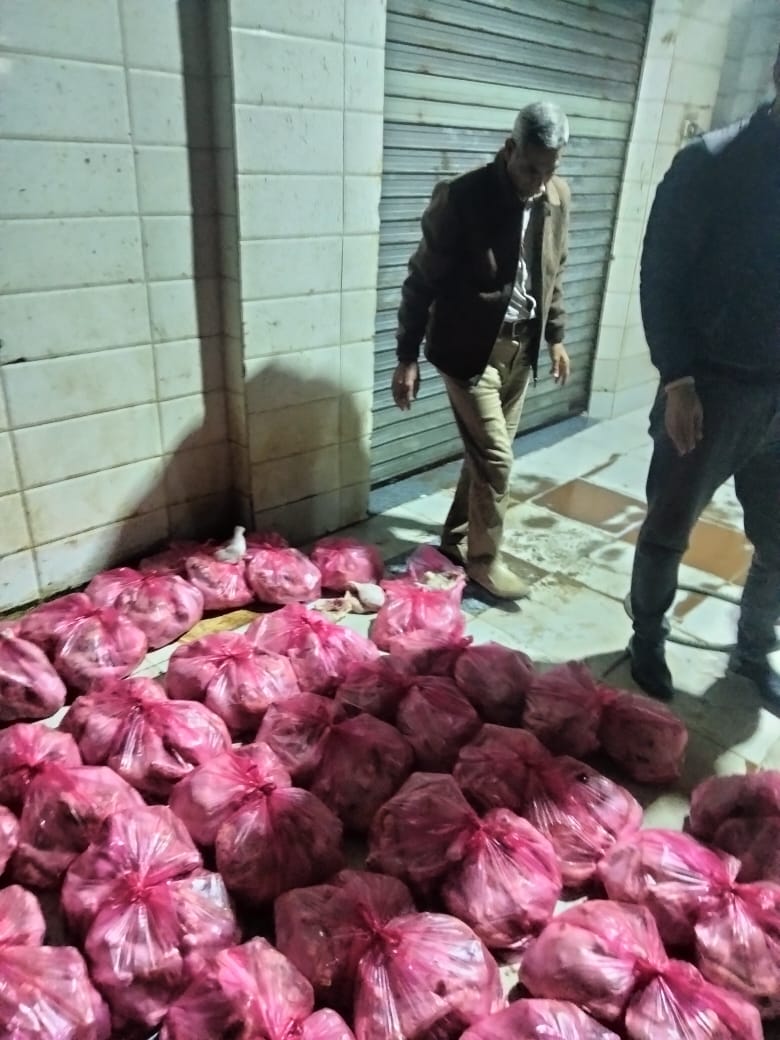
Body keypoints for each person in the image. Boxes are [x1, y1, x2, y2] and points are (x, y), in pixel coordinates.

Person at [629, 45, 780, 711]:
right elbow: (660, 274)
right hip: (711, 392)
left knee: (779, 541)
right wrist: (678, 380)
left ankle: (753, 649)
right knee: (669, 527)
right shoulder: (711, 163)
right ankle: (647, 636)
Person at [391, 102, 571, 600]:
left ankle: (454, 541)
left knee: (483, 461)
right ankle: (484, 562)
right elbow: (421, 279)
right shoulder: (462, 197)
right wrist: (406, 355)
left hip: (521, 349)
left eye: (550, 169)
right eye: (531, 168)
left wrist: (555, 336)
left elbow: (553, 270)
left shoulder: (557, 196)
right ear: (510, 148)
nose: (539, 181)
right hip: (469, 351)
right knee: (496, 461)